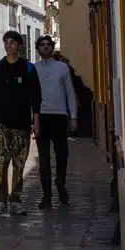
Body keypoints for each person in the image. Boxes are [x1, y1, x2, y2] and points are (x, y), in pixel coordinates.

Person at [0, 30, 42, 215]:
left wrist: (36, 122)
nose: (9, 45)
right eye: (6, 42)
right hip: (2, 123)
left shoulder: (28, 69)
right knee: (1, 161)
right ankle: (0, 199)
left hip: (22, 123)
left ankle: (16, 200)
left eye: (12, 42)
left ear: (19, 45)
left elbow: (36, 97)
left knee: (19, 163)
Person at [35, 35, 78, 209]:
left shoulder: (63, 68)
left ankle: (60, 184)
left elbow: (70, 92)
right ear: (38, 49)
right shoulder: (33, 69)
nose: (45, 48)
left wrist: (73, 116)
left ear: (52, 48)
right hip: (42, 117)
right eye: (42, 45)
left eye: (48, 45)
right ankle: (46, 195)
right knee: (43, 159)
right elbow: (31, 96)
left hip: (59, 116)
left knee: (62, 156)